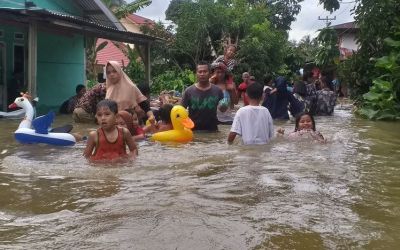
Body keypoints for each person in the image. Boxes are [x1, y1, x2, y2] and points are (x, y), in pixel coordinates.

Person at [181, 62, 225, 131]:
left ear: (210, 73)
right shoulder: (188, 91)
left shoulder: (217, 90)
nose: (202, 74)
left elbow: (222, 110)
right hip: (193, 130)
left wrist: (224, 105)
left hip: (212, 131)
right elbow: (181, 111)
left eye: (205, 71)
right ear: (196, 74)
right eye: (200, 72)